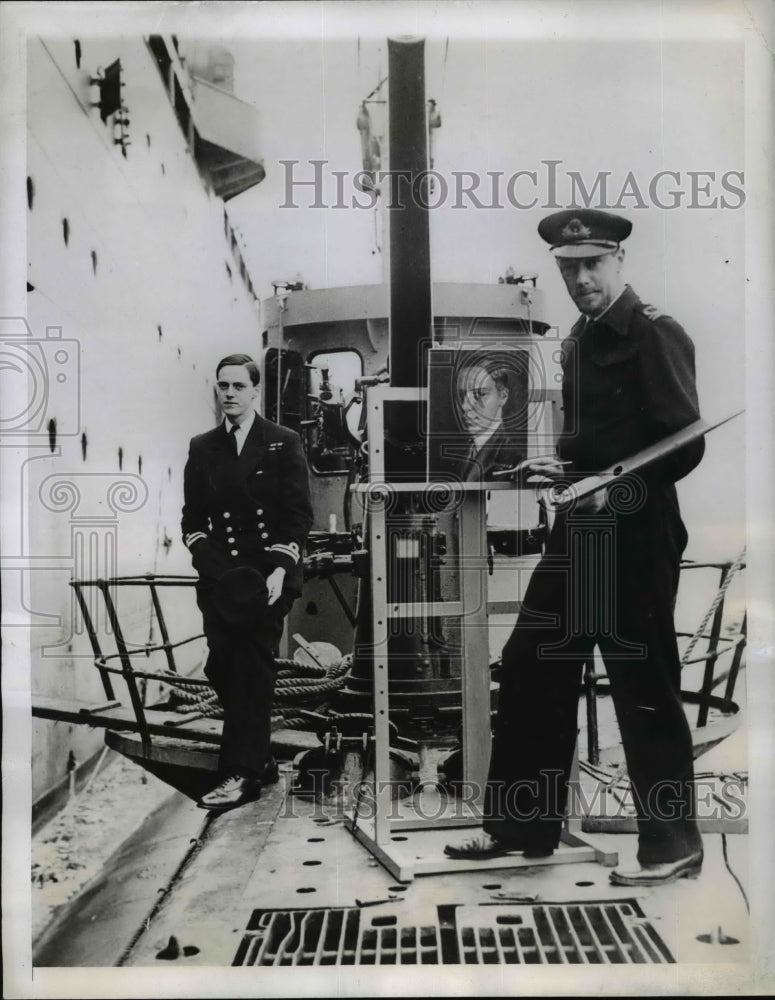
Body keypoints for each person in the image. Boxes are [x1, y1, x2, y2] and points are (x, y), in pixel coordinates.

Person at [446, 209, 706, 886]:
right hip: (582, 527)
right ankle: (520, 827)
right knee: (532, 659)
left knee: (640, 682)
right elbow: (593, 444)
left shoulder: (654, 332)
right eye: (568, 269)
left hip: (637, 529)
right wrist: (558, 470)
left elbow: (684, 443)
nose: (581, 278)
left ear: (616, 260)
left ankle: (671, 845)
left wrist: (608, 483)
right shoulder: (577, 343)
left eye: (591, 264)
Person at [182, 353, 313, 812]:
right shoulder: (203, 446)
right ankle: (260, 755)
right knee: (220, 666)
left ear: (255, 391)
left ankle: (240, 774)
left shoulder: (283, 441)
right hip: (222, 578)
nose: (230, 394)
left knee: (252, 670)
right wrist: (212, 566)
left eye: (239, 386)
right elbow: (192, 520)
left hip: (269, 577)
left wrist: (280, 568)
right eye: (223, 386)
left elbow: (297, 516)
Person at [455, 360, 525, 482]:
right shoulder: (461, 453)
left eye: (479, 394)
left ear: (503, 396)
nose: (465, 406)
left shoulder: (515, 456)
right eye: (462, 395)